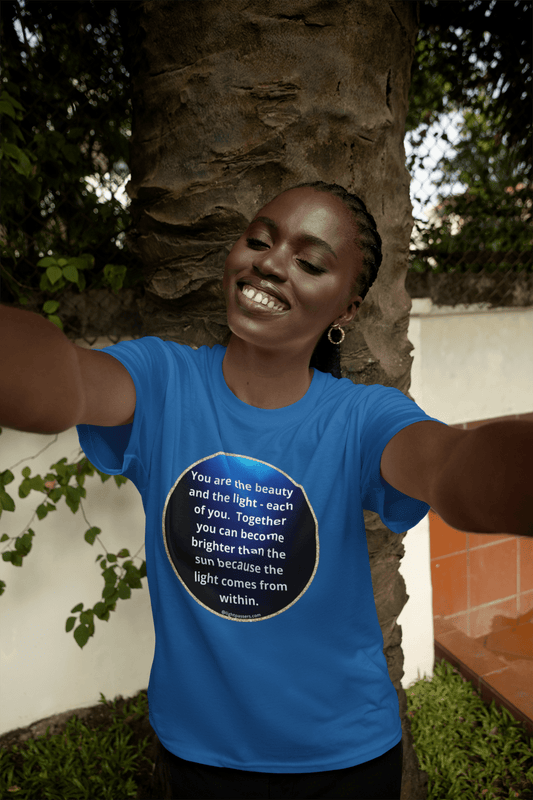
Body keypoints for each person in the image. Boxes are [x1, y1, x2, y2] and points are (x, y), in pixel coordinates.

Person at [1, 182, 532, 800]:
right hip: (198, 756)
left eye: (310, 262)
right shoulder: (162, 381)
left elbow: (451, 470)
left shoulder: (363, 417)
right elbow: (61, 383)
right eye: (259, 240)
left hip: (345, 760)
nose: (273, 262)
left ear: (348, 310)